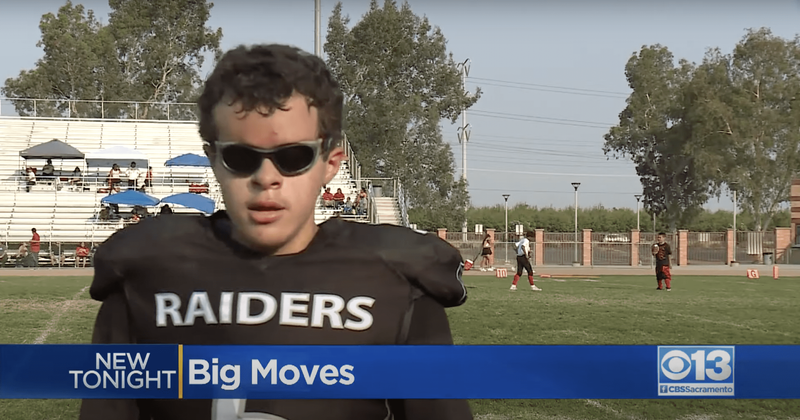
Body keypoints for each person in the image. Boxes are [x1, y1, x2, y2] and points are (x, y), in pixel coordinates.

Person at [79, 43, 472, 420]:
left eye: (293, 157)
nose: (266, 178)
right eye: (241, 157)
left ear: (331, 163)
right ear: (214, 160)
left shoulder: (398, 284)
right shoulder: (148, 274)